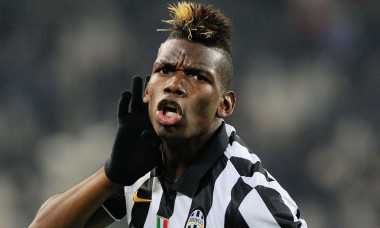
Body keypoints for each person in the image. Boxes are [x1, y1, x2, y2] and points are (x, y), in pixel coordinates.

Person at [30, 2, 307, 227]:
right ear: (148, 90)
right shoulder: (141, 167)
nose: (174, 84)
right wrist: (112, 176)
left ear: (225, 105)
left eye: (197, 76)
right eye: (164, 70)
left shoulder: (249, 199)